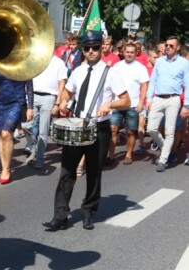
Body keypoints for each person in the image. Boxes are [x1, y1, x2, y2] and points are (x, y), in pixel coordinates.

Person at [43, 30, 130, 232]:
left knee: (93, 172)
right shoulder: (78, 71)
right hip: (77, 124)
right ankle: (60, 215)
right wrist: (63, 101)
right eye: (87, 48)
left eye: (95, 47)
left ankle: (88, 211)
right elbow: (68, 91)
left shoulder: (111, 72)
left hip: (99, 128)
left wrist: (111, 104)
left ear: (101, 48)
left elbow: (127, 100)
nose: (91, 51)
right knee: (67, 171)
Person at [146, 36, 189, 173]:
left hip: (174, 99)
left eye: (171, 45)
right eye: (167, 45)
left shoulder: (184, 63)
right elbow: (153, 80)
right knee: (151, 128)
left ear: (177, 47)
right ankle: (167, 149)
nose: (168, 47)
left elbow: (188, 84)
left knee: (170, 130)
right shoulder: (159, 62)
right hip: (158, 98)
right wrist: (148, 98)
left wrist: (186, 105)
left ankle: (163, 160)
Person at [0, 71, 33, 184]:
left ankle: (6, 169)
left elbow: (29, 88)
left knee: (6, 134)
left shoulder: (25, 67)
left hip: (16, 102)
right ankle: (4, 167)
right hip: (0, 103)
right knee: (1, 135)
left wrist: (30, 107)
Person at [22, 54, 67, 169]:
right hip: (33, 96)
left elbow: (62, 85)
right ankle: (33, 149)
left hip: (49, 97)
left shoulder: (58, 62)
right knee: (26, 125)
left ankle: (39, 158)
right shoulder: (35, 58)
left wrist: (57, 103)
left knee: (43, 130)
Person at [108, 43, 149, 165]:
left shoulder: (140, 67)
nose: (129, 54)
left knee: (131, 131)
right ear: (123, 52)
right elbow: (110, 84)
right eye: (127, 52)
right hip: (117, 103)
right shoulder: (117, 66)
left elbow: (144, 86)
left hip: (133, 104)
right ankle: (110, 156)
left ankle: (128, 155)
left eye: (132, 52)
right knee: (113, 129)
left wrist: (141, 103)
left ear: (136, 53)